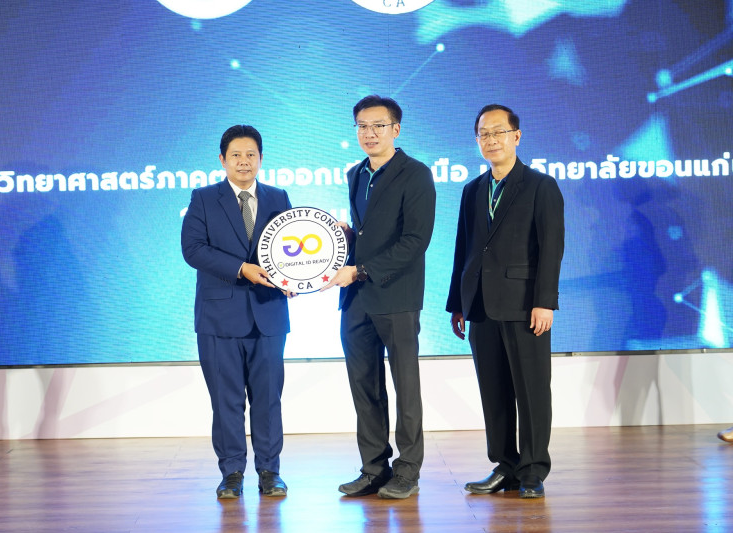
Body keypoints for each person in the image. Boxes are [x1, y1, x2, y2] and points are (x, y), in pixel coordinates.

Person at [446, 104, 564, 499]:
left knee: (531, 391)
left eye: (498, 132)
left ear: (516, 136)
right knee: (494, 391)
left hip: (524, 304)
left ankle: (532, 470)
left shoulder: (540, 185)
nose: (491, 140)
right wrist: (457, 303)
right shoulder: (472, 189)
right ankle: (505, 465)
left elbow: (551, 248)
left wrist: (545, 301)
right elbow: (464, 249)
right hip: (479, 304)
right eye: (484, 133)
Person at [321, 95, 436, 499]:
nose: (369, 133)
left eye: (378, 126)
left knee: (406, 387)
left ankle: (408, 471)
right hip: (356, 299)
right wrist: (344, 238)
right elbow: (367, 233)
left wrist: (361, 269)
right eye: (362, 126)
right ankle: (374, 469)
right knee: (364, 386)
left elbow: (415, 240)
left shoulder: (416, 174)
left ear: (395, 129)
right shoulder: (355, 173)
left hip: (396, 296)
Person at [181, 125, 293, 499]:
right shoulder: (203, 198)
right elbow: (193, 250)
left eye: (250, 155)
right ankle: (231, 473)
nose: (244, 162)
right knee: (226, 401)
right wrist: (241, 268)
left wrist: (296, 278)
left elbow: (290, 248)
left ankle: (270, 472)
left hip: (269, 314)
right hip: (219, 319)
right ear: (222, 159)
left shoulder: (278, 197)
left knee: (268, 399)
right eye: (236, 155)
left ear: (261, 158)